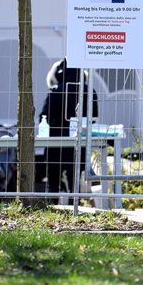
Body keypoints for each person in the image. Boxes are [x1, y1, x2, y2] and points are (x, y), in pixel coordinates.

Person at [38, 58, 99, 196]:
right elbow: (94, 118)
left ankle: (53, 206)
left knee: (52, 183)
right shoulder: (90, 92)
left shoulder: (55, 91)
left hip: (55, 143)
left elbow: (44, 116)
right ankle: (75, 205)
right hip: (78, 142)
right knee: (75, 181)